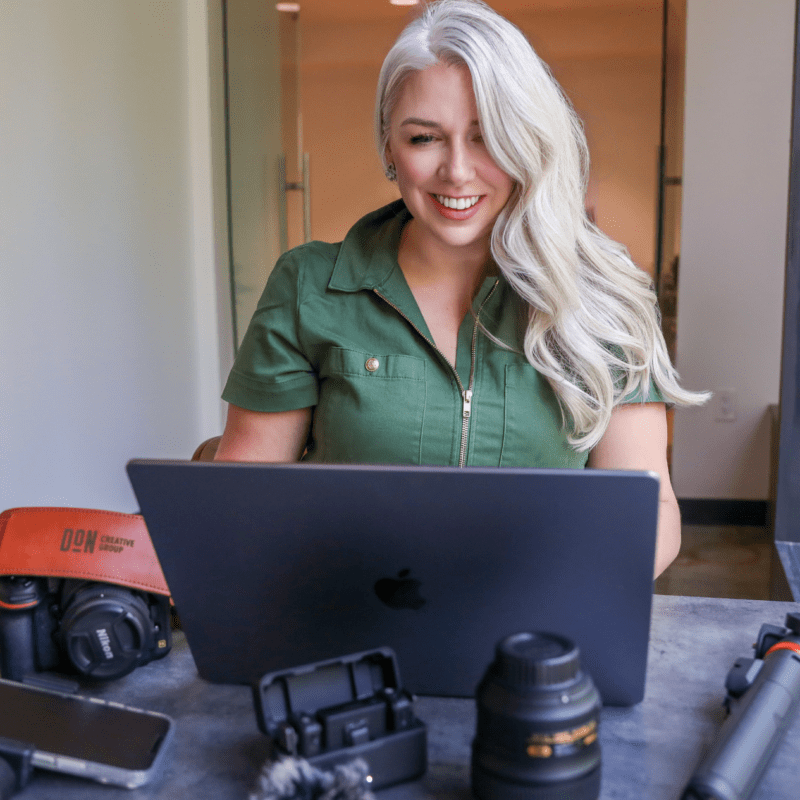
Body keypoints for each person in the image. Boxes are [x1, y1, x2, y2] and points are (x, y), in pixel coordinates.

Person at [215, 0, 708, 577]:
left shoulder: (603, 293)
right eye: (425, 138)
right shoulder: (308, 286)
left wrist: (567, 597)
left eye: (486, 137)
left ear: (528, 142)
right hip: (346, 622)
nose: (456, 171)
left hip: (537, 632)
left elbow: (646, 512)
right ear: (389, 147)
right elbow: (240, 503)